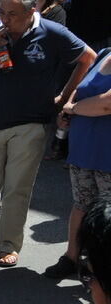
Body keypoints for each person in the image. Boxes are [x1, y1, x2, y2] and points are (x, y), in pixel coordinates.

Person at [0, 0, 95, 267]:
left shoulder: (52, 33)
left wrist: (66, 96)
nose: (5, 19)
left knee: (17, 188)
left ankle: (9, 245)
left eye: (12, 14)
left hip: (31, 123)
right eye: (2, 12)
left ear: (31, 11)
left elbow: (87, 58)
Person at [44, 48, 111, 281]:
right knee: (81, 204)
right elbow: (80, 87)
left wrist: (74, 109)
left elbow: (107, 104)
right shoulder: (104, 53)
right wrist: (68, 106)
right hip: (84, 148)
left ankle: (100, 267)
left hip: (107, 153)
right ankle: (71, 257)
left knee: (107, 214)